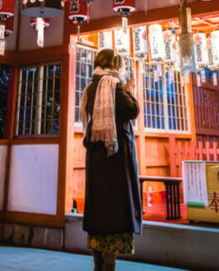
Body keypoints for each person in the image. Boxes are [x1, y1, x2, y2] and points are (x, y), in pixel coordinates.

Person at [81, 49, 141, 270]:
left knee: (99, 208)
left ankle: (99, 264)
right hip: (114, 155)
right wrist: (129, 91)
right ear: (114, 64)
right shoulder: (113, 85)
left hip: (96, 157)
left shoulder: (91, 86)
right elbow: (132, 111)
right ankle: (109, 264)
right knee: (115, 208)